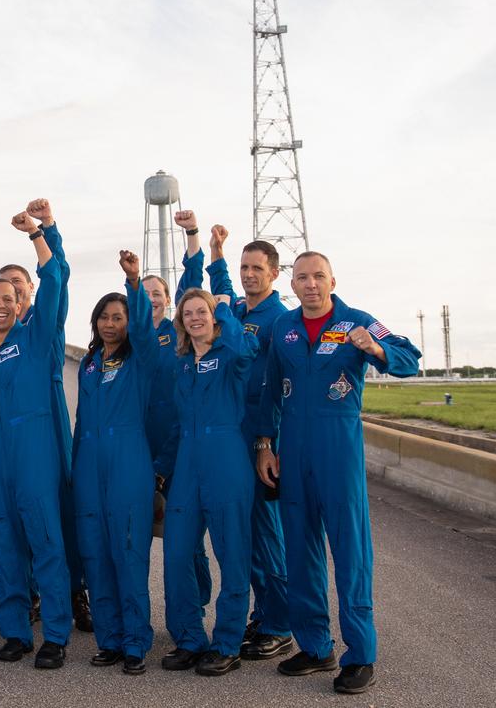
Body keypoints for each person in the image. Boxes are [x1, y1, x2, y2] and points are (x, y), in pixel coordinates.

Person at [256, 251, 420, 695]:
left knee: (350, 552)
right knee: (301, 552)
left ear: (332, 280)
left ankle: (360, 654)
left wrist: (376, 348)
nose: (311, 284)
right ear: (291, 284)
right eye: (302, 277)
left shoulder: (356, 322)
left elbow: (410, 357)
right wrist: (265, 445)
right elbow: (270, 391)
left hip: (337, 449)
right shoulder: (283, 328)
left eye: (318, 277)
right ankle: (314, 646)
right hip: (291, 448)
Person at [0, 202, 71, 669]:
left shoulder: (35, 338)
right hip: (1, 458)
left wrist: (37, 234)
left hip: (35, 454)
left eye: (7, 299)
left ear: (19, 305)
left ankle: (55, 634)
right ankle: (15, 632)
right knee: (7, 547)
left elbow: (54, 278)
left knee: (46, 542)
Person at [0, 203, 90, 635]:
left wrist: (46, 231)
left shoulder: (44, 323)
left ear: (28, 291)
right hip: (16, 427)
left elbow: (60, 274)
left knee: (60, 509)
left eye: (18, 285)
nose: (11, 293)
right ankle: (32, 597)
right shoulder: (0, 344)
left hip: (48, 409)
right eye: (3, 288)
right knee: (24, 517)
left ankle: (74, 594)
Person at [160, 288, 258, 677]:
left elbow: (247, 351)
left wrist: (225, 311)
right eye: (189, 313)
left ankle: (227, 642)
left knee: (232, 555)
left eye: (203, 311)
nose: (196, 318)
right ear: (181, 320)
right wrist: (161, 466)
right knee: (178, 553)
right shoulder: (182, 364)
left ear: (214, 317)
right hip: (187, 462)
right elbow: (177, 421)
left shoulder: (232, 355)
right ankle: (189, 638)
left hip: (226, 459)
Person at [205, 225, 293, 659]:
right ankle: (264, 613)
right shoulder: (237, 311)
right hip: (230, 437)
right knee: (241, 534)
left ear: (275, 273)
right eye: (244, 268)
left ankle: (279, 623)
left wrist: (265, 442)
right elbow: (219, 293)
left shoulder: (280, 321)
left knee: (264, 535)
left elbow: (277, 388)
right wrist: (216, 255)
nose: (248, 275)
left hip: (258, 440)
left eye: (257, 268)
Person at [73, 250, 158, 675]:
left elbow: (144, 329)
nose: (111, 323)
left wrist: (133, 282)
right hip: (89, 466)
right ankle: (108, 639)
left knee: (128, 553)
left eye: (118, 317)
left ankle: (135, 643)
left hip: (128, 463)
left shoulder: (139, 359)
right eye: (104, 317)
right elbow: (80, 422)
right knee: (96, 554)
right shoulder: (88, 365)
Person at [143, 210, 212, 619]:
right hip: (140, 450)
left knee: (185, 539)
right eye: (144, 292)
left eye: (158, 293)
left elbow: (193, 284)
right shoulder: (132, 340)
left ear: (168, 301)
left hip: (179, 451)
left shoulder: (179, 334)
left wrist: (191, 235)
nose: (152, 299)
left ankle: (196, 603)